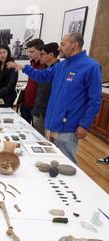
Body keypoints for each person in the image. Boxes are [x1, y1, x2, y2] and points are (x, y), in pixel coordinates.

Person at [7, 33, 102, 163]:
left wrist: (84, 124)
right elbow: (43, 76)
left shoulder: (91, 67)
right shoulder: (62, 65)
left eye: (63, 44)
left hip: (68, 126)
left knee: (66, 163)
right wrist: (24, 67)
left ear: (74, 45)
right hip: (51, 123)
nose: (59, 48)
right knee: (51, 159)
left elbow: (95, 99)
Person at [32, 43, 60, 136]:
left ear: (51, 55)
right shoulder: (44, 69)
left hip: (46, 114)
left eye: (42, 54)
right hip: (38, 111)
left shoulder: (58, 70)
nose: (40, 57)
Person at [20, 39, 44, 125]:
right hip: (26, 104)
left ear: (41, 50)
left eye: (32, 52)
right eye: (29, 52)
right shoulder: (32, 63)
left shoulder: (45, 66)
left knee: (37, 132)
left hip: (37, 107)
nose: (30, 55)